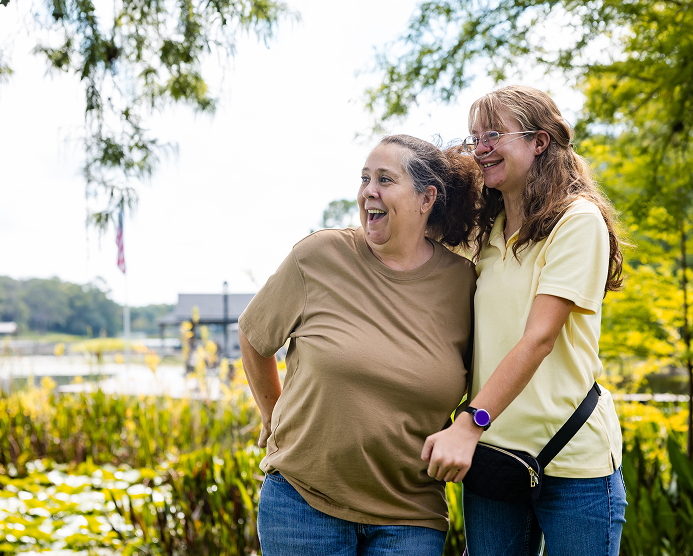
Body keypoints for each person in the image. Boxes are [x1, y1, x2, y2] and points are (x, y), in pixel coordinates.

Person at [238, 134, 482, 556]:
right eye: (365, 178)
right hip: (303, 504)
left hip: (410, 517)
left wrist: (469, 425)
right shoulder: (320, 255)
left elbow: (484, 382)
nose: (369, 190)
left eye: (385, 180)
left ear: (427, 198)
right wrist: (272, 413)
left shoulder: (463, 283)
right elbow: (254, 336)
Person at [421, 86, 628, 556]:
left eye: (494, 134)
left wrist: (469, 423)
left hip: (573, 466)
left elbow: (539, 338)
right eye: (475, 137)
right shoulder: (485, 235)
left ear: (539, 142)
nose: (481, 148)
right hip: (495, 462)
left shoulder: (577, 221)